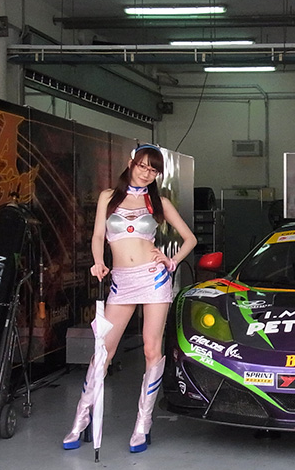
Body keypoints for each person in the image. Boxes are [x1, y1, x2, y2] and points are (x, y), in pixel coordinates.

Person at [63, 143, 197, 453]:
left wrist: (171, 260)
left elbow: (189, 238)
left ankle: (143, 424)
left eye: (154, 169)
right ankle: (81, 419)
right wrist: (98, 261)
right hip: (121, 282)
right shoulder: (108, 197)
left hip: (154, 280)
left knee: (151, 349)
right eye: (143, 165)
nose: (147, 172)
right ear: (131, 163)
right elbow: (98, 235)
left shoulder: (159, 202)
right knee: (103, 352)